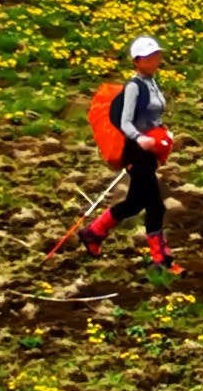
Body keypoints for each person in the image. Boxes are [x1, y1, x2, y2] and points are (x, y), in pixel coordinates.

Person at [72, 31, 174, 269]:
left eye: (157, 54)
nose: (155, 59)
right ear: (137, 61)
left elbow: (151, 117)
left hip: (148, 151)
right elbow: (125, 122)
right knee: (155, 205)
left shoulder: (152, 83)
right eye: (149, 56)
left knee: (134, 203)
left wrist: (164, 133)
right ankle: (162, 260)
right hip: (136, 152)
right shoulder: (133, 87)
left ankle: (93, 234)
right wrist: (139, 139)